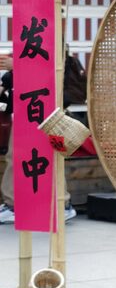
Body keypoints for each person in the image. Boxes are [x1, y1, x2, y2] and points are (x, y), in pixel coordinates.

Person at [0, 53, 78, 224]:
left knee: (51, 155)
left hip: (47, 108)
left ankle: (62, 204)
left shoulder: (52, 37)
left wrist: (17, 65)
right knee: (15, 156)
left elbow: (49, 69)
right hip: (27, 109)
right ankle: (13, 204)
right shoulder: (27, 39)